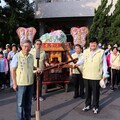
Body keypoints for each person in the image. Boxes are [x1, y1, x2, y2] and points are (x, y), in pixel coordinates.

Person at [73, 37, 108, 114]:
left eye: (94, 43)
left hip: (96, 76)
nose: (93, 45)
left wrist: (105, 74)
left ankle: (95, 106)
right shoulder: (85, 51)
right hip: (86, 75)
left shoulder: (101, 52)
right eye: (91, 43)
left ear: (97, 44)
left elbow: (105, 65)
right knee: (87, 92)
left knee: (96, 92)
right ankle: (87, 105)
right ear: (89, 44)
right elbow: (82, 60)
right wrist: (76, 64)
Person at [11, 40, 41, 120]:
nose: (27, 48)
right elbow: (13, 70)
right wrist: (14, 83)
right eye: (25, 46)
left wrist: (36, 68)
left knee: (28, 103)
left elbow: (32, 67)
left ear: (31, 47)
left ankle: (27, 118)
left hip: (30, 83)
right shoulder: (17, 56)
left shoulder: (31, 56)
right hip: (20, 84)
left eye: (29, 47)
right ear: (21, 46)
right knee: (20, 104)